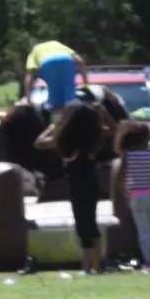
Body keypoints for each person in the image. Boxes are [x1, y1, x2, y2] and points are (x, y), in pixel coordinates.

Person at [36, 99, 107, 274]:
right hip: (91, 181)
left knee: (82, 225)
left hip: (77, 183)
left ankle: (87, 266)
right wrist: (102, 113)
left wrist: (55, 125)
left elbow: (38, 143)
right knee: (90, 223)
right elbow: (110, 129)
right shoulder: (92, 138)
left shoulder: (65, 141)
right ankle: (96, 265)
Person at [114, 119, 150, 271]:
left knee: (144, 230)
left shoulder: (127, 156)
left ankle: (149, 262)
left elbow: (119, 177)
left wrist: (125, 190)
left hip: (136, 195)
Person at [23, 39, 85, 111]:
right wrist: (86, 83)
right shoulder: (57, 44)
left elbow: (30, 75)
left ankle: (57, 116)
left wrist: (28, 98)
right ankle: (71, 112)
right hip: (67, 61)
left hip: (47, 63)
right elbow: (80, 61)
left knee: (55, 104)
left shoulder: (34, 51)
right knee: (70, 100)